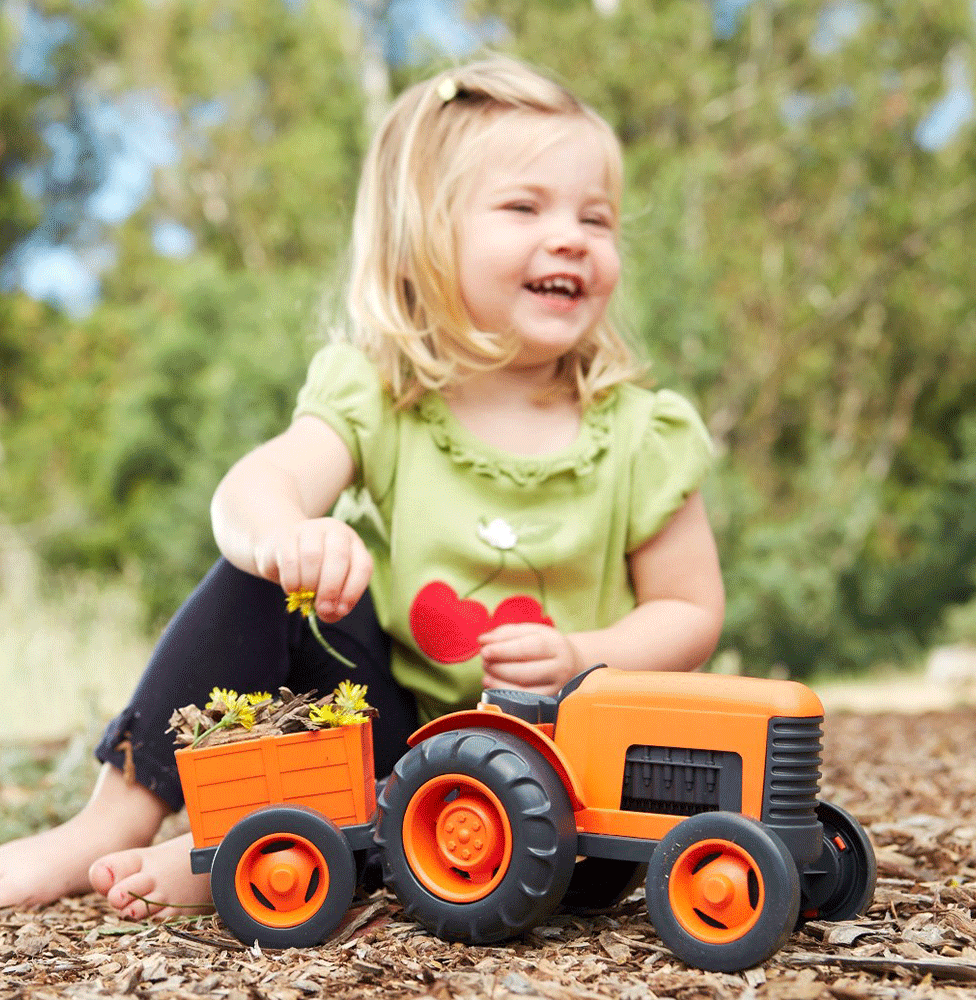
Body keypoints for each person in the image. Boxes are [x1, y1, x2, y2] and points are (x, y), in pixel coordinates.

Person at [0, 55, 724, 919]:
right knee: (272, 580)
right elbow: (256, 486)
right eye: (525, 207)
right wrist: (285, 533)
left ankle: (262, 850)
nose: (571, 235)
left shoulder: (645, 432)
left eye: (596, 218)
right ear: (425, 235)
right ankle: (113, 822)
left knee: (531, 846)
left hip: (569, 785)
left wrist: (579, 657)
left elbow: (690, 610)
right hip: (390, 748)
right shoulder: (383, 394)